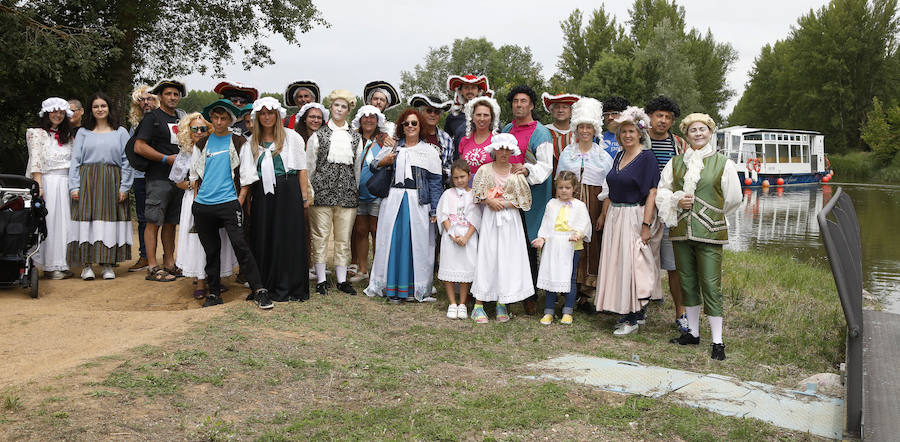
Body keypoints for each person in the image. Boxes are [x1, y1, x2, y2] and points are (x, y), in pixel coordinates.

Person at [657, 113, 742, 360]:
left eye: (702, 129)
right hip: (681, 230)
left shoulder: (723, 163)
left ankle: (718, 341)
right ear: (686, 135)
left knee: (711, 284)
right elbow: (662, 191)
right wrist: (676, 199)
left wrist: (710, 215)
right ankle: (692, 333)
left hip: (711, 232)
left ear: (710, 132)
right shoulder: (675, 163)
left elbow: (733, 198)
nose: (698, 133)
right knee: (687, 282)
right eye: (693, 130)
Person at [190, 99, 273, 309]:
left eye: (223, 118)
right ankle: (214, 293)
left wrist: (240, 200)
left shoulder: (239, 142)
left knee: (241, 246)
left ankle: (259, 290)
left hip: (229, 202)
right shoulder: (202, 143)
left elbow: (247, 175)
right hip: (203, 205)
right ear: (211, 119)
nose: (219, 122)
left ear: (230, 120)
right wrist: (196, 201)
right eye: (216, 118)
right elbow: (194, 174)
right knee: (211, 251)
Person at [594, 106, 663, 335]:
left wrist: (646, 225)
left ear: (640, 133)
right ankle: (628, 310)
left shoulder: (647, 158)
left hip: (634, 214)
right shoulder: (619, 155)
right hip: (616, 215)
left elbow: (652, 192)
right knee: (619, 264)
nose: (627, 135)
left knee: (633, 264)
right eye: (623, 131)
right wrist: (604, 214)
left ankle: (632, 317)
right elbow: (610, 189)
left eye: (631, 131)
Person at [364, 109, 443, 302]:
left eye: (414, 123)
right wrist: (386, 159)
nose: (410, 127)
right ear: (401, 126)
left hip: (418, 202)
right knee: (393, 241)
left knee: (417, 244)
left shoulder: (429, 151)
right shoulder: (393, 147)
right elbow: (373, 166)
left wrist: (435, 209)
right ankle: (391, 287)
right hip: (393, 200)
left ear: (420, 126)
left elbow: (435, 182)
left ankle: (412, 289)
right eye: (406, 123)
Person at [241, 97, 311, 302]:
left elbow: (301, 169)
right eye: (262, 113)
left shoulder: (292, 138)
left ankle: (291, 286)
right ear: (257, 117)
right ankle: (265, 285)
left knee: (289, 237)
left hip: (288, 191)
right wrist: (245, 201)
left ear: (277, 115)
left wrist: (304, 198)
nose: (267, 117)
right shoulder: (251, 143)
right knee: (264, 236)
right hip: (262, 194)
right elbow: (247, 176)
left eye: (270, 113)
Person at [171, 113, 237, 300]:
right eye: (195, 129)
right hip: (193, 200)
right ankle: (200, 281)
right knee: (197, 240)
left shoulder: (212, 146)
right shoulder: (185, 153)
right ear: (187, 131)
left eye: (203, 129)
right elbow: (177, 181)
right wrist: (194, 185)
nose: (199, 132)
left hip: (218, 199)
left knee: (219, 238)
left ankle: (216, 278)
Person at [67, 92, 133, 280]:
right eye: (96, 106)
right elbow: (76, 161)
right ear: (91, 110)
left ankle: (107, 264)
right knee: (86, 221)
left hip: (112, 179)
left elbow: (127, 161)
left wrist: (125, 187)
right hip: (87, 179)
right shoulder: (83, 132)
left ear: (109, 108)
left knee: (108, 221)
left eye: (103, 106)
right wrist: (74, 186)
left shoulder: (120, 131)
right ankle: (86, 266)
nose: (100, 109)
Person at [469, 133, 533, 323]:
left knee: (507, 258)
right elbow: (476, 195)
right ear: (494, 150)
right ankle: (479, 304)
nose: (504, 152)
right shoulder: (484, 170)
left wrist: (505, 204)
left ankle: (502, 302)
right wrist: (489, 199)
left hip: (510, 221)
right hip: (490, 219)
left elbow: (524, 201)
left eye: (508, 149)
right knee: (488, 256)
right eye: (501, 148)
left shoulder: (516, 172)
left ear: (512, 151)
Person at [502, 84, 554, 315]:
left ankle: (531, 294)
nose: (519, 105)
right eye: (515, 101)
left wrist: (526, 171)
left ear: (531, 105)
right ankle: (510, 290)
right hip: (508, 194)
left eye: (523, 101)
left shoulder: (540, 132)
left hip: (534, 195)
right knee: (510, 242)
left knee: (529, 242)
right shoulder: (506, 129)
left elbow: (545, 165)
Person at [555, 98, 613, 300]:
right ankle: (568, 286)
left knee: (591, 243)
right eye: (581, 127)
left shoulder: (603, 156)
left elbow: (608, 188)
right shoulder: (567, 154)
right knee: (568, 240)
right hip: (570, 205)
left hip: (594, 205)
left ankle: (588, 290)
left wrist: (603, 214)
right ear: (576, 129)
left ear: (595, 130)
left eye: (589, 127)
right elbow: (559, 183)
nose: (585, 131)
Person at [306, 89, 362, 295]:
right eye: (336, 105)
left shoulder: (356, 138)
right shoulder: (317, 135)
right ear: (331, 107)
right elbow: (309, 167)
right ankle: (321, 280)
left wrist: (354, 192)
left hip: (347, 196)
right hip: (320, 194)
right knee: (320, 237)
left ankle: (341, 280)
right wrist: (309, 193)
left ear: (348, 110)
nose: (339, 109)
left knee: (343, 238)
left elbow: (357, 170)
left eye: (343, 106)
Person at [134, 79, 187, 282]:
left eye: (176, 94)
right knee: (153, 221)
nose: (173, 97)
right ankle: (152, 266)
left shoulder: (181, 119)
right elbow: (139, 147)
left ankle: (170, 263)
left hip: (178, 180)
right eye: (169, 94)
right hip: (158, 178)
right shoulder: (152, 118)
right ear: (160, 96)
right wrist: (165, 159)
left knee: (171, 223)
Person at [645, 96, 690, 334]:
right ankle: (638, 308)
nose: (663, 120)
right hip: (644, 209)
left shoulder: (680, 145)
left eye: (668, 117)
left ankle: (681, 313)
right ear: (650, 117)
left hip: (671, 210)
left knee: (675, 265)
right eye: (658, 115)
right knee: (641, 261)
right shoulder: (640, 141)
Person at [533, 171, 591, 325]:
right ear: (556, 188)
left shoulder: (579, 206)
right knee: (551, 274)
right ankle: (549, 310)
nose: (564, 190)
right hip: (553, 244)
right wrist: (542, 237)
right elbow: (546, 223)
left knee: (569, 277)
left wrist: (577, 233)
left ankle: (567, 310)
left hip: (570, 244)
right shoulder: (551, 204)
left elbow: (584, 223)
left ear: (574, 188)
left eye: (567, 187)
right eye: (560, 187)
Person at [25, 97, 75, 279]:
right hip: (47, 182)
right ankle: (47, 265)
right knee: (49, 223)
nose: (58, 115)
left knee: (64, 225)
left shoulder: (68, 136)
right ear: (46, 113)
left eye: (61, 112)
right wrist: (39, 185)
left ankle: (59, 263)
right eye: (54, 111)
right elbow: (36, 160)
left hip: (65, 183)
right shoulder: (36, 133)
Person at [436, 160, 482, 319]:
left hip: (468, 237)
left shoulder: (473, 195)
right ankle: (452, 303)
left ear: (469, 175)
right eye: (456, 178)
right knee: (450, 268)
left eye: (462, 176)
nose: (460, 180)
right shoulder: (447, 194)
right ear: (452, 179)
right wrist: (452, 235)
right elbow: (443, 215)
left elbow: (476, 217)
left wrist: (466, 237)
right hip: (452, 236)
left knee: (465, 269)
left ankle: (462, 303)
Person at [349, 105, 389, 283]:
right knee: (361, 230)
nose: (369, 120)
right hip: (357, 193)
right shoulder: (352, 138)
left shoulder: (383, 139)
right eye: (365, 117)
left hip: (377, 193)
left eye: (373, 117)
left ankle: (379, 271)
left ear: (378, 120)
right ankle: (363, 269)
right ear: (360, 119)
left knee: (376, 231)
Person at [126, 84, 158, 272]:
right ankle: (145, 256)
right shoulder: (135, 125)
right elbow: (131, 153)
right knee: (143, 218)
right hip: (141, 177)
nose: (146, 103)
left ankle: (170, 258)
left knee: (167, 219)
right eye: (142, 100)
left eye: (149, 99)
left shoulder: (164, 120)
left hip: (162, 175)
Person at [409, 94, 454, 185]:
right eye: (429, 111)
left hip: (437, 186)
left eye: (436, 112)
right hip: (412, 186)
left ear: (440, 115)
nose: (432, 115)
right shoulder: (410, 133)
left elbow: (450, 166)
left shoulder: (446, 139)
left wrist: (443, 171)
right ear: (421, 113)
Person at [445, 75, 493, 151]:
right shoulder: (452, 117)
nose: (470, 91)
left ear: (478, 91)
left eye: (473, 88)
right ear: (460, 91)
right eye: (466, 88)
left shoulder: (490, 117)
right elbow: (447, 142)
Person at [458, 96, 501, 179]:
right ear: (472, 118)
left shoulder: (497, 140)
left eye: (486, 115)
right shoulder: (464, 141)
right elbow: (460, 168)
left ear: (491, 118)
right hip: (468, 188)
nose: (482, 118)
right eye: (478, 115)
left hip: (490, 187)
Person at [541, 92, 581, 177]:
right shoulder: (543, 131)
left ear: (571, 112)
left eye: (565, 107)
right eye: (557, 107)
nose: (560, 110)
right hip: (549, 179)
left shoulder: (578, 132)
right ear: (551, 111)